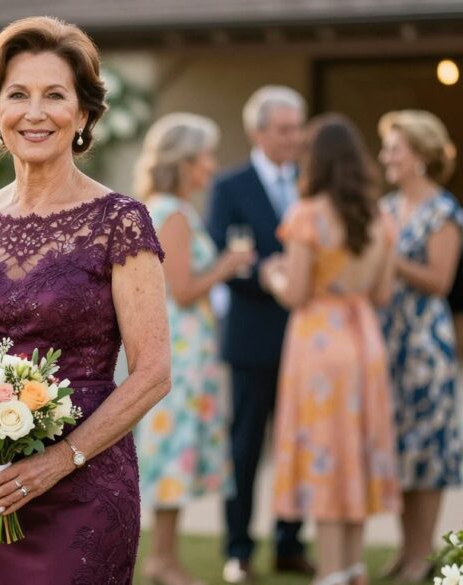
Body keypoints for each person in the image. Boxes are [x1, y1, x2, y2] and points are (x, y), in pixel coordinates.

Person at [0, 16, 171, 584]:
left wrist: (57, 462)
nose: (35, 113)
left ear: (82, 115)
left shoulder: (120, 222)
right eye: (18, 95)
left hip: (85, 488)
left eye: (55, 95)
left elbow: (152, 372)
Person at [263, 114, 400, 585]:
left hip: (320, 342)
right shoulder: (380, 217)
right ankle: (354, 565)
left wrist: (273, 275)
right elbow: (382, 295)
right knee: (355, 451)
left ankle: (331, 571)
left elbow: (297, 292)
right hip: (365, 340)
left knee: (325, 451)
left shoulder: (308, 215)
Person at [134, 113, 253, 585]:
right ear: (183, 162)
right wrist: (227, 265)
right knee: (173, 452)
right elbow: (182, 289)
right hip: (180, 352)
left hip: (184, 348)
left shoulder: (160, 207)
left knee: (175, 453)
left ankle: (166, 558)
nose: (210, 165)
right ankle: (163, 560)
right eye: (204, 156)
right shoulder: (175, 214)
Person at [206, 85, 313, 583]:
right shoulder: (230, 186)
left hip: (308, 338)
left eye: (298, 128)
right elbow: (222, 260)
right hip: (251, 337)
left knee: (300, 446)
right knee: (245, 448)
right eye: (285, 129)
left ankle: (291, 543)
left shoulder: (311, 182)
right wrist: (270, 275)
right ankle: (238, 549)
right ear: (258, 131)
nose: (295, 138)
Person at [376, 109, 462, 583]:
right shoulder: (386, 208)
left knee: (427, 452)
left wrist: (390, 258)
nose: (386, 156)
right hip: (387, 343)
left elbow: (439, 281)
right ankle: (404, 550)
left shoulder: (444, 211)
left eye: (395, 148)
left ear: (420, 157)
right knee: (398, 451)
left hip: (426, 347)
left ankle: (423, 556)